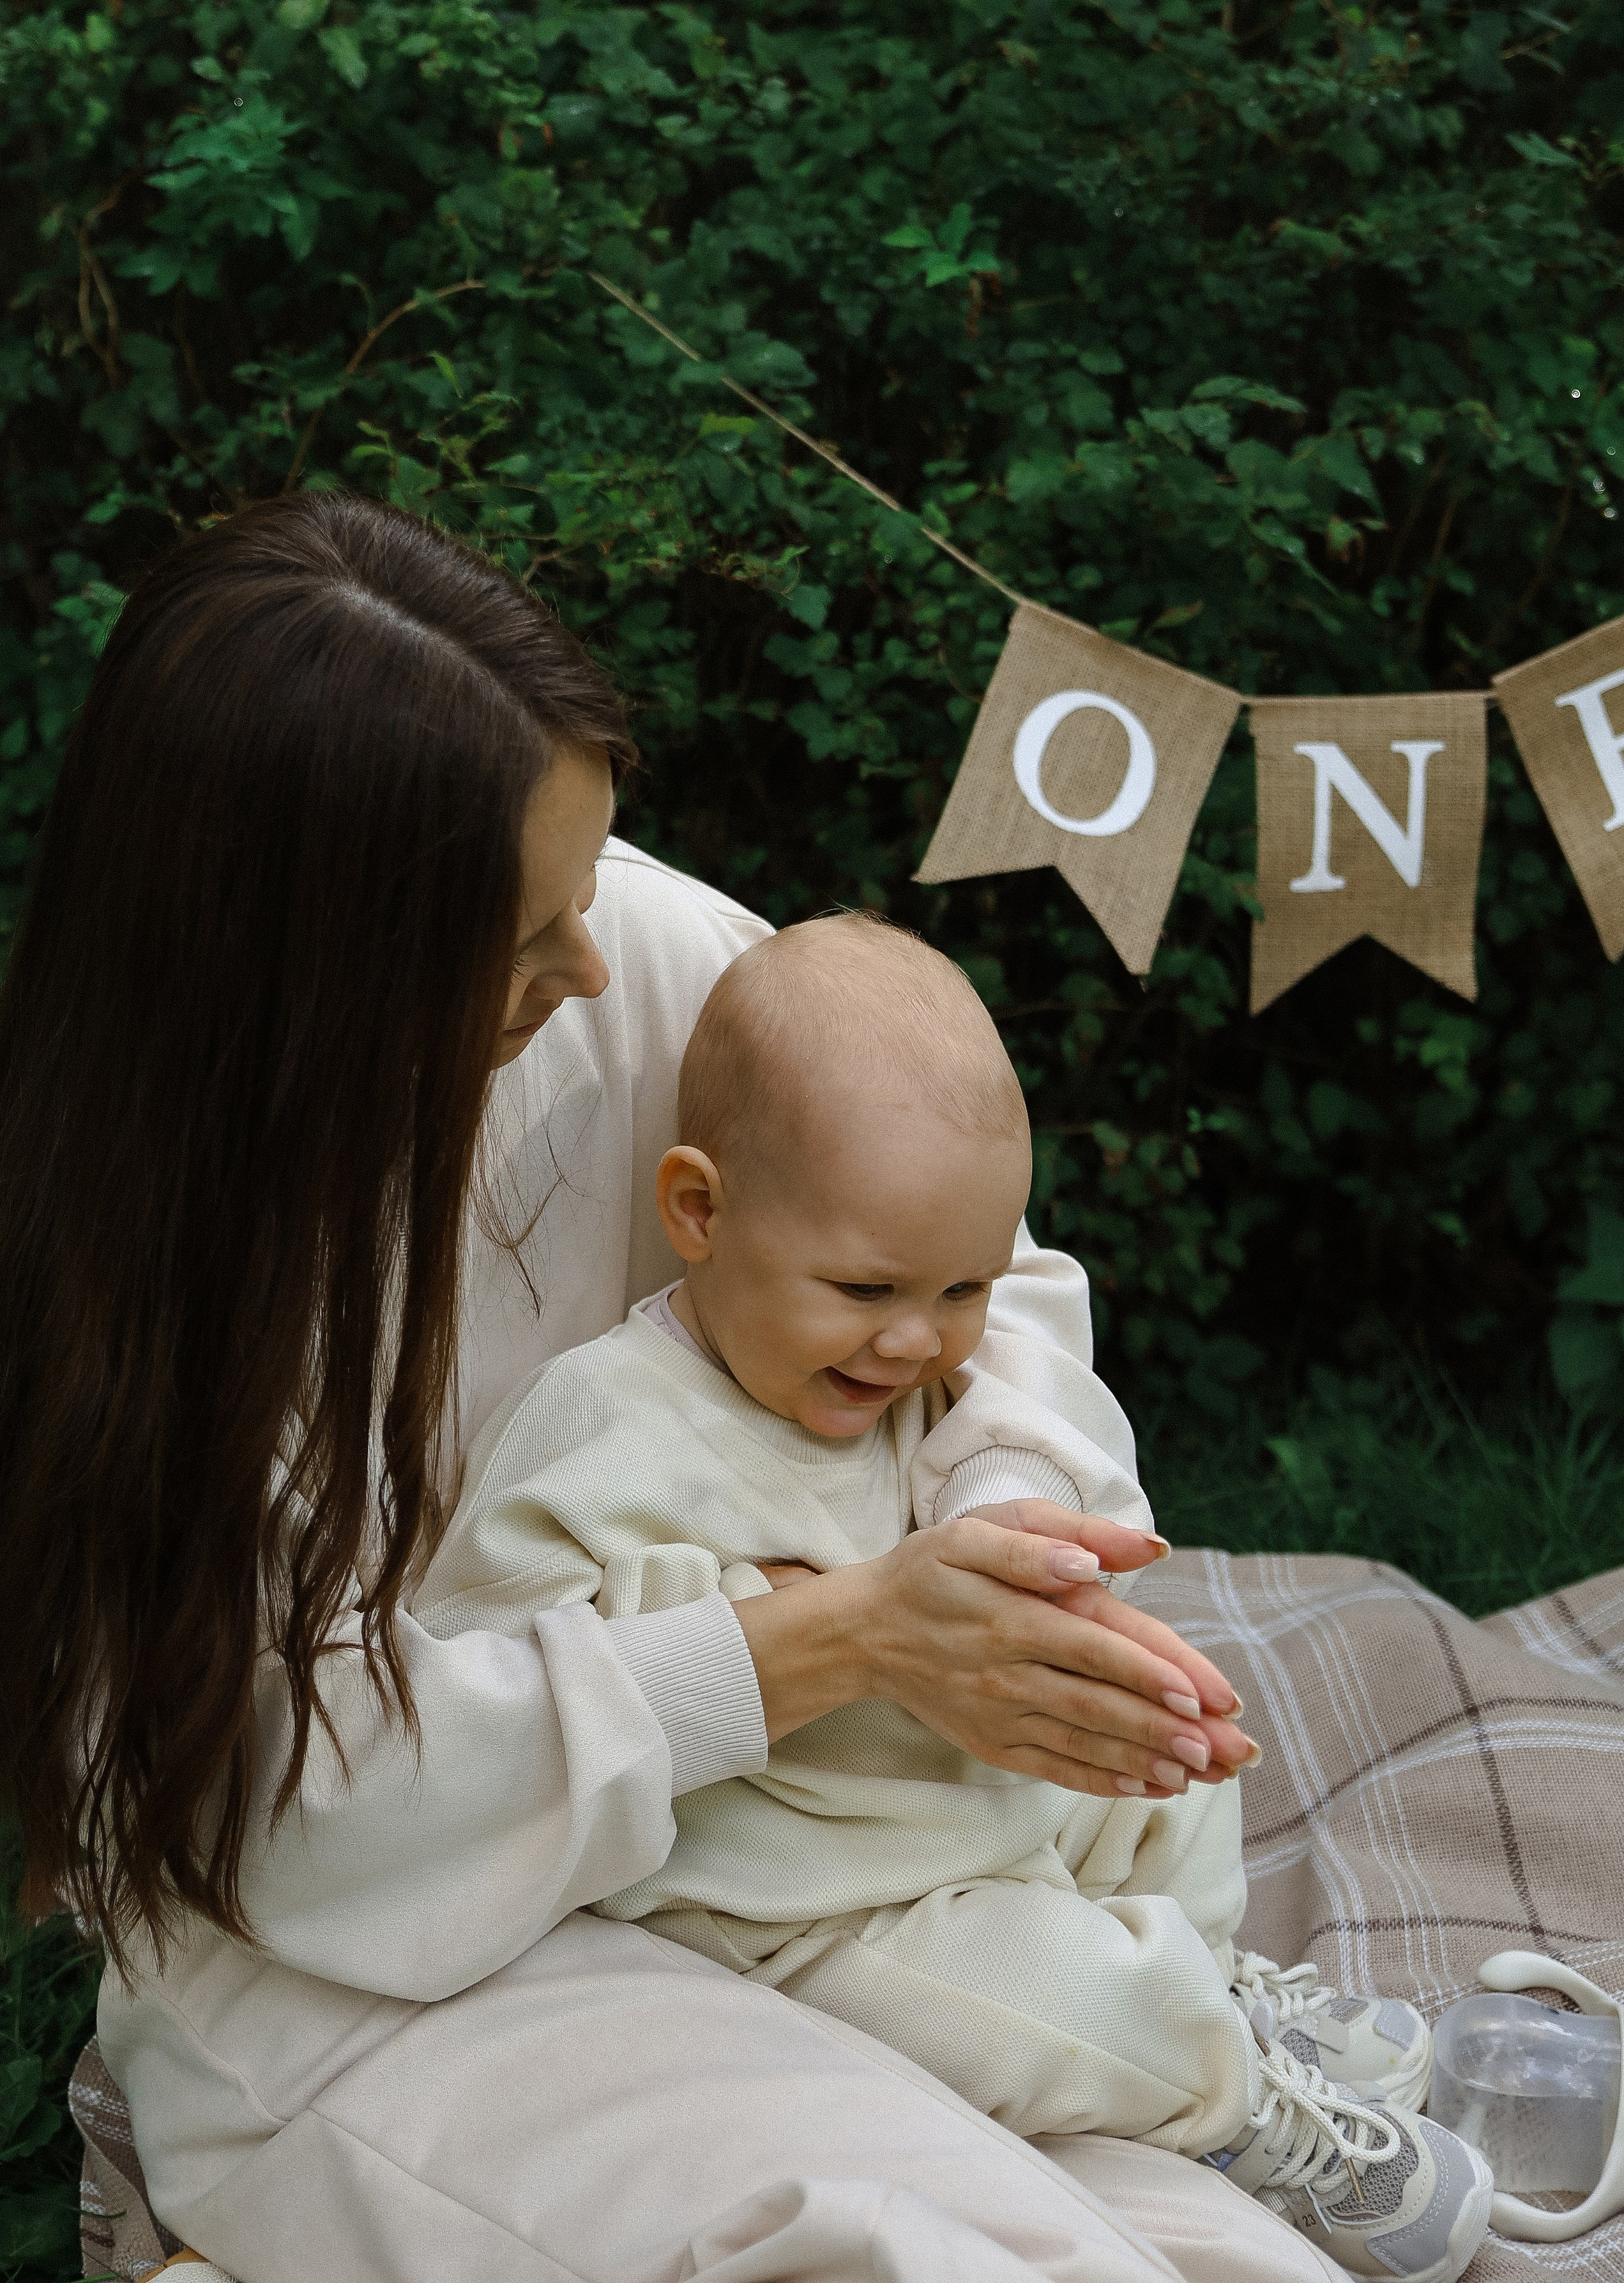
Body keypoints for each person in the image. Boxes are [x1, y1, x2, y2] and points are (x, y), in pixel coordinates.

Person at [0, 490, 1353, 2283]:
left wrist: (998, 1537)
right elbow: (289, 1831)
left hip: (775, 1872)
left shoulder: (635, 956)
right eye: (524, 936)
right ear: (308, 967)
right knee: (901, 2251)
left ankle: (1263, 2078)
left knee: (1232, 2262)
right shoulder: (115, 1291)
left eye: (585, 890)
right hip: (347, 1958)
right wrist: (831, 1644)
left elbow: (979, 1278)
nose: (591, 966)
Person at [419, 916, 1492, 2283]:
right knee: (1025, 1998)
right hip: (805, 1908)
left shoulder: (916, 1391)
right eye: (865, 1288)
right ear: (696, 1212)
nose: (917, 1339)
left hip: (980, 1794)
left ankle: (1218, 1984)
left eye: (963, 1288)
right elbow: (495, 1665)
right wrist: (745, 1613)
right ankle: (1233, 2102)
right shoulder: (607, 1424)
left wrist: (1059, 1598)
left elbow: (1036, 1468)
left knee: (1168, 1741)